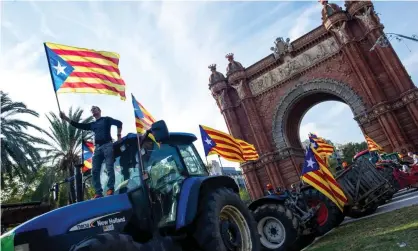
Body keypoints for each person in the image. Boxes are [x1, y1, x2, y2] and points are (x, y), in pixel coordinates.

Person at [60, 106, 123, 198]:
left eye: (95, 108)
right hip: (97, 148)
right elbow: (79, 125)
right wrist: (66, 118)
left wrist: (119, 136)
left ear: (99, 110)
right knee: (94, 171)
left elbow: (119, 123)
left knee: (109, 167)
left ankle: (110, 189)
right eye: (91, 109)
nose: (93, 110)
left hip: (107, 145)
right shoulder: (92, 124)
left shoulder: (106, 119)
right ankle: (98, 192)